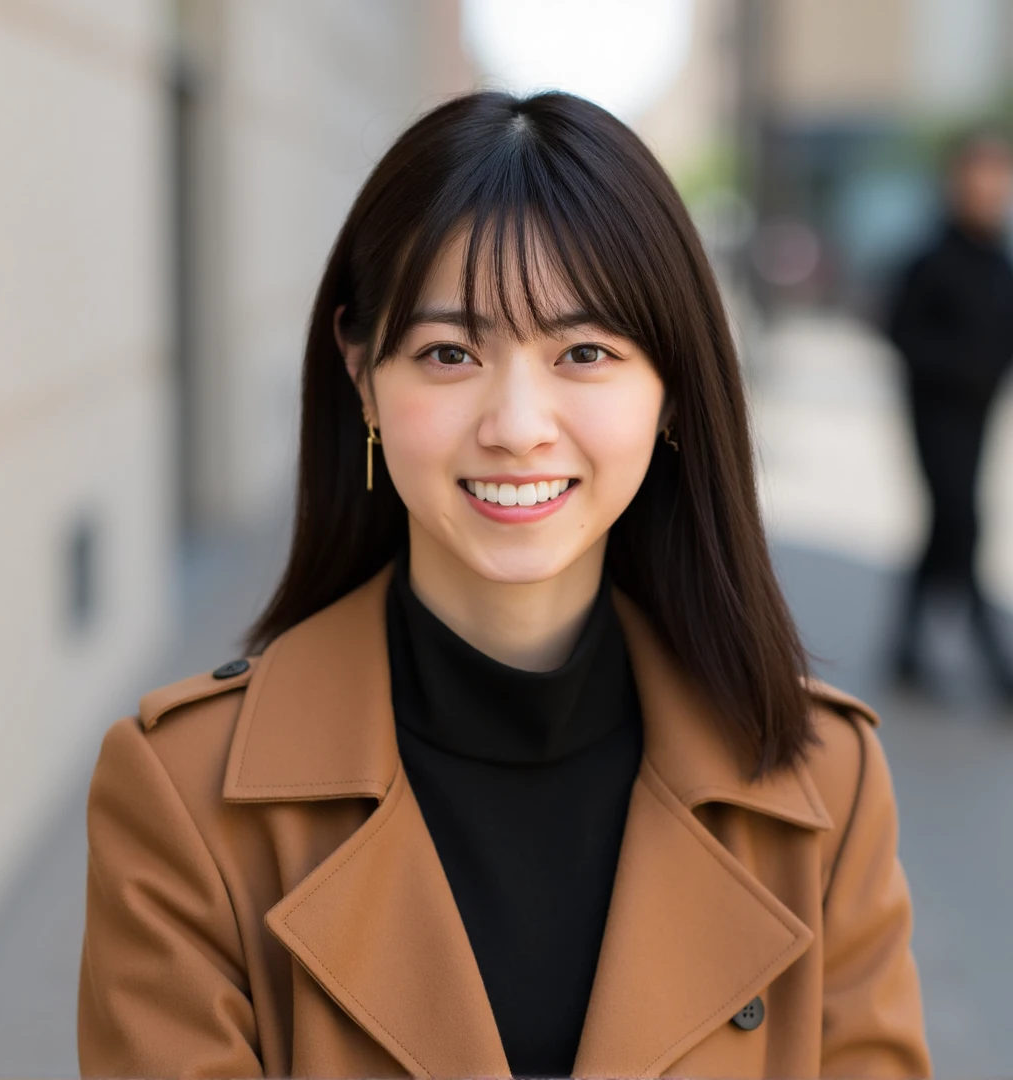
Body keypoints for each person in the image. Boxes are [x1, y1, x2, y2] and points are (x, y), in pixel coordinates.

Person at [78, 90, 930, 1079]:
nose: (518, 424)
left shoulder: (822, 783)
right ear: (362, 373)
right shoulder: (183, 795)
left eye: (583, 353)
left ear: (671, 390)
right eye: (448, 354)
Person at [885, 131, 1013, 703]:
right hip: (936, 418)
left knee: (944, 527)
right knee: (963, 523)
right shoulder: (929, 259)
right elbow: (900, 333)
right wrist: (959, 366)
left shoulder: (999, 262)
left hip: (980, 418)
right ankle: (996, 662)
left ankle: (905, 649)